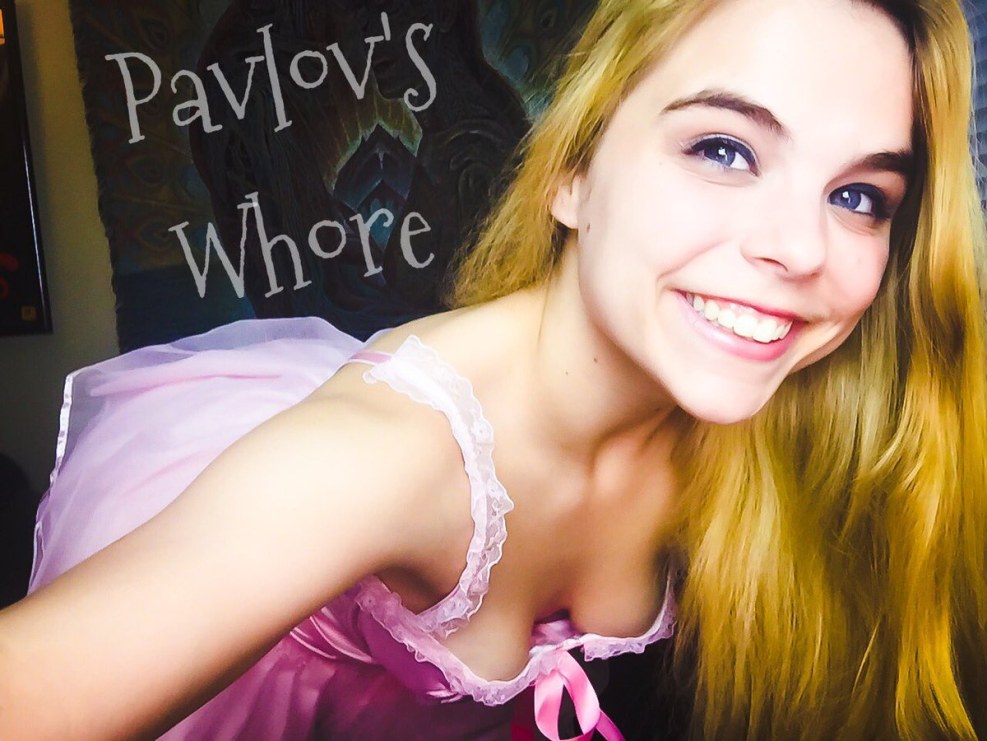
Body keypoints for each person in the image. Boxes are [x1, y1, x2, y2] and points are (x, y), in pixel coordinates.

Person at [2, 0, 985, 738]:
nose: (801, 249)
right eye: (723, 149)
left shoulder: (755, 414)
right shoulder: (373, 462)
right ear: (572, 174)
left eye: (860, 196)